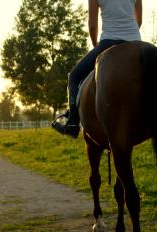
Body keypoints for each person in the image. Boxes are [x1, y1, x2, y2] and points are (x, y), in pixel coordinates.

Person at [52, 0, 143, 138]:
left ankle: (72, 124)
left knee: (74, 77)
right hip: (135, 41)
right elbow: (139, 20)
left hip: (108, 42)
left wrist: (96, 46)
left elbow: (92, 26)